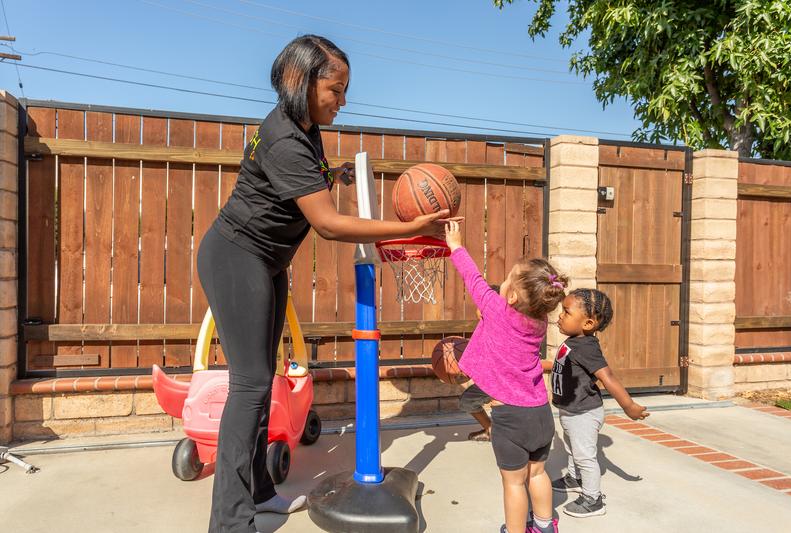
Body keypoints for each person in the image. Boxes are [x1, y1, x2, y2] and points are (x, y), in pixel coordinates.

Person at [197, 35, 452, 533]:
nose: (343, 100)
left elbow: (294, 185)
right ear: (301, 81)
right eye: (336, 89)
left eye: (344, 90)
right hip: (236, 255)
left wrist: (329, 174)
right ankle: (228, 523)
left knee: (260, 381)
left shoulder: (303, 128)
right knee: (248, 385)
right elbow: (330, 225)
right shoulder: (286, 137)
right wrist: (409, 229)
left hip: (267, 260)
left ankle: (260, 491)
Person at [444, 220, 567, 533]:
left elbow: (473, 279)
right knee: (538, 474)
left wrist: (456, 245)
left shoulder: (497, 308)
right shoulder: (539, 324)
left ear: (511, 297)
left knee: (514, 483)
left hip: (511, 417)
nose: (501, 283)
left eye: (508, 280)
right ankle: (543, 526)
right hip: (540, 412)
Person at [550, 288, 650, 518]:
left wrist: (629, 406)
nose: (560, 316)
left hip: (583, 413)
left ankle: (593, 499)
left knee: (585, 455)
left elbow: (608, 377)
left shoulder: (587, 347)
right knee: (572, 448)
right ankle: (575, 478)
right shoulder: (576, 341)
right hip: (571, 410)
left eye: (566, 312)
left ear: (587, 323)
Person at [459, 284, 500, 442]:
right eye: (480, 306)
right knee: (467, 401)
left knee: (505, 410)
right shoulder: (482, 328)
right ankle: (490, 430)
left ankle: (508, 437)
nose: (481, 311)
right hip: (489, 382)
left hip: (505, 384)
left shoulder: (502, 330)